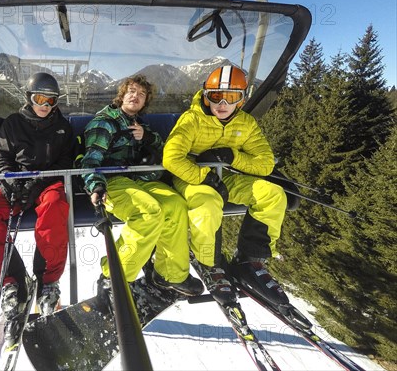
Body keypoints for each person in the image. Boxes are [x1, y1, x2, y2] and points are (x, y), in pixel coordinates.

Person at [163, 64, 289, 308]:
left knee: (272, 195)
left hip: (225, 176)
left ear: (241, 100)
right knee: (208, 204)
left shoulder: (246, 123)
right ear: (206, 95)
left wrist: (234, 157)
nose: (222, 104)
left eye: (231, 97)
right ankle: (210, 263)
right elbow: (171, 158)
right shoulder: (192, 120)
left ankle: (250, 259)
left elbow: (265, 164)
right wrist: (202, 176)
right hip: (189, 175)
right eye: (215, 96)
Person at [81, 74, 203, 305]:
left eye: (141, 94)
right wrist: (95, 185)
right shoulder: (104, 123)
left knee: (176, 205)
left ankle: (170, 273)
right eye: (131, 91)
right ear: (122, 95)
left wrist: (146, 136)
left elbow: (165, 149)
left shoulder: (138, 124)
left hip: (140, 178)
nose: (135, 96)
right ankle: (113, 278)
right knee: (149, 212)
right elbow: (91, 160)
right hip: (113, 180)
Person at [0, 72, 74, 324]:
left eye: (51, 101)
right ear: (28, 97)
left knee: (55, 206)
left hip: (47, 183)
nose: (45, 106)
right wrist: (10, 182)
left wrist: (40, 182)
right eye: (40, 99)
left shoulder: (63, 128)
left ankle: (48, 281)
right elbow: (2, 158)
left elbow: (66, 161)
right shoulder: (12, 124)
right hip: (17, 185)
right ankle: (12, 280)